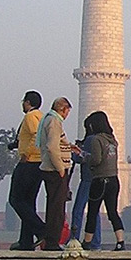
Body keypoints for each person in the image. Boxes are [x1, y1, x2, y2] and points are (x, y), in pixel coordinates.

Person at [78, 110, 125, 250]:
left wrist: (83, 156)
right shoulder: (113, 140)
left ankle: (87, 242)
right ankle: (120, 242)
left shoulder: (97, 140)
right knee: (112, 212)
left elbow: (96, 160)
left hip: (100, 180)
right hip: (114, 180)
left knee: (92, 212)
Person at [8, 91, 46, 250]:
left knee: (16, 199)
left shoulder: (30, 117)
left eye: (24, 101)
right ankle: (26, 241)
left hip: (29, 162)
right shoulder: (42, 117)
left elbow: (35, 136)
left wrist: (26, 153)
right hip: (39, 164)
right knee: (28, 203)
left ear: (28, 102)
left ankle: (41, 229)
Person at [37, 97, 74, 251]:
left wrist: (69, 147)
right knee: (56, 208)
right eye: (67, 112)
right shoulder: (54, 122)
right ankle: (52, 242)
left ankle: (51, 240)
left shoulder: (49, 119)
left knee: (55, 206)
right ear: (62, 109)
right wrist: (60, 167)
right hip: (54, 170)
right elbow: (52, 147)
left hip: (50, 168)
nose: (67, 115)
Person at [69, 114, 102, 251]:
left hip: (88, 179)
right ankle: (95, 242)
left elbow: (83, 158)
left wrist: (74, 152)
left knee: (78, 210)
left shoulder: (90, 139)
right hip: (100, 179)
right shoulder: (106, 139)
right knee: (95, 212)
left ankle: (74, 239)